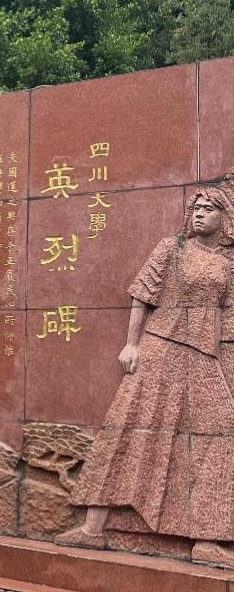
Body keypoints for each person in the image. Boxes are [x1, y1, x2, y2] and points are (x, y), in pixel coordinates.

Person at [65, 187, 234, 566]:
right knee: (130, 426)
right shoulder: (171, 249)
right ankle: (92, 527)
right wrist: (132, 344)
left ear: (224, 218)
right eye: (197, 207)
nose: (200, 213)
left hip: (205, 352)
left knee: (221, 433)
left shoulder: (229, 264)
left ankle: (207, 540)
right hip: (161, 344)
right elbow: (142, 293)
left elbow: (230, 321)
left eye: (209, 209)